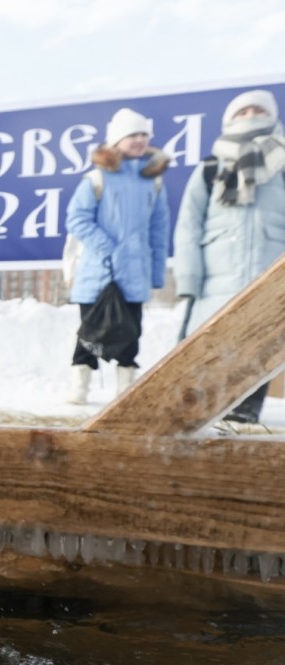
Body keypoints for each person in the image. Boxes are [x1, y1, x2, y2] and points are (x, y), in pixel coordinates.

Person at [174, 88, 285, 426]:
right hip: (215, 279)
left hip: (269, 274)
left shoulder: (281, 163)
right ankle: (203, 414)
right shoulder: (210, 167)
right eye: (243, 110)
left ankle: (244, 415)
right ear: (229, 119)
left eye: (258, 109)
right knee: (210, 348)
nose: (251, 115)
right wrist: (188, 279)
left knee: (260, 348)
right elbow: (189, 225)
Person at [64, 107, 171, 405]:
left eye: (143, 134)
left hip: (134, 275)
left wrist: (156, 274)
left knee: (130, 334)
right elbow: (77, 219)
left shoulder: (154, 181)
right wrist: (108, 248)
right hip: (98, 274)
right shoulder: (97, 179)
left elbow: (159, 231)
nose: (138, 140)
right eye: (131, 135)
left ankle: (125, 392)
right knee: (90, 333)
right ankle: (80, 387)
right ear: (116, 140)